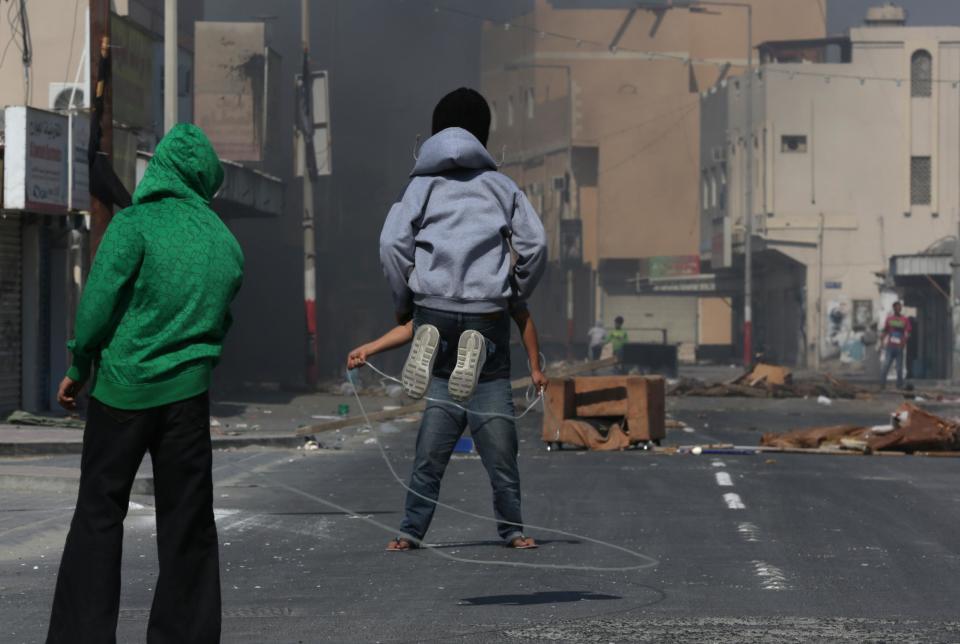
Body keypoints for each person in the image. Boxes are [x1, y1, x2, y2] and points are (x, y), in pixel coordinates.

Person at [47, 124, 243, 644]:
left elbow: (97, 305)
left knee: (99, 515)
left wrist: (78, 364)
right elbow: (222, 317)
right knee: (188, 525)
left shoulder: (134, 224)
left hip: (122, 393)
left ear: (160, 169)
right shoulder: (224, 242)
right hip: (187, 399)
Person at [375, 87, 547, 551]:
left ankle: (409, 532)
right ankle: (513, 531)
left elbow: (391, 245)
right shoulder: (502, 186)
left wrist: (407, 297)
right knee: (499, 442)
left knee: (432, 442)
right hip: (488, 315)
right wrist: (515, 288)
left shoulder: (419, 187)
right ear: (485, 135)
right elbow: (536, 244)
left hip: (432, 307)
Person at [880, 301, 912, 390]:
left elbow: (908, 332)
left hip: (899, 347)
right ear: (894, 308)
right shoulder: (889, 319)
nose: (898, 309)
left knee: (899, 367)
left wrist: (904, 342)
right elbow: (885, 330)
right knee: (885, 365)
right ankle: (882, 384)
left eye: (900, 307)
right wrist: (882, 341)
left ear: (901, 309)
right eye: (896, 307)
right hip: (890, 346)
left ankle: (899, 385)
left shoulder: (905, 320)